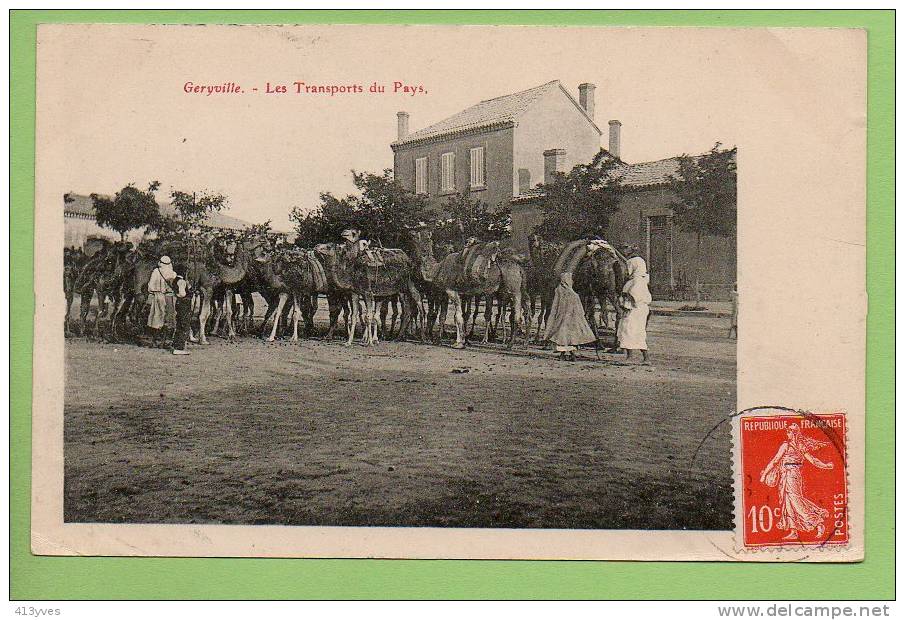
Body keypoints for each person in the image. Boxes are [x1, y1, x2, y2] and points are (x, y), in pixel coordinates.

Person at [759, 423, 834, 540]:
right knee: (787, 502)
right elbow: (813, 460)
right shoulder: (799, 445)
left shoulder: (788, 445)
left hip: (791, 475)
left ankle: (818, 524)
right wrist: (825, 465)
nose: (787, 434)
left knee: (796, 501)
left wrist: (764, 474)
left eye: (789, 432)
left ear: (793, 433)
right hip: (789, 475)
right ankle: (794, 531)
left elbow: (775, 461)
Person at [543, 272, 597, 361]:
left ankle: (568, 354)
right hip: (565, 317)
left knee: (567, 336)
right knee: (566, 336)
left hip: (569, 318)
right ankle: (567, 354)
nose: (572, 281)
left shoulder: (563, 291)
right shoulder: (563, 291)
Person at [616, 246, 652, 364]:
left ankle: (632, 357)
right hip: (637, 309)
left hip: (634, 310)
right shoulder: (640, 279)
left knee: (630, 330)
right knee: (636, 332)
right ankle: (642, 357)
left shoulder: (637, 280)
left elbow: (634, 296)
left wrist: (624, 304)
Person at [146, 255, 176, 348]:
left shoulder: (156, 272)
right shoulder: (173, 273)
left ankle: (156, 341)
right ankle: (166, 341)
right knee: (169, 318)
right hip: (170, 297)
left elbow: (150, 286)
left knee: (157, 317)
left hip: (158, 296)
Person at [170, 264, 192, 355]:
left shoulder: (175, 280)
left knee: (179, 323)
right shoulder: (182, 281)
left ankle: (175, 345)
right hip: (183, 303)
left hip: (178, 304)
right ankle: (179, 347)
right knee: (184, 324)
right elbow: (182, 293)